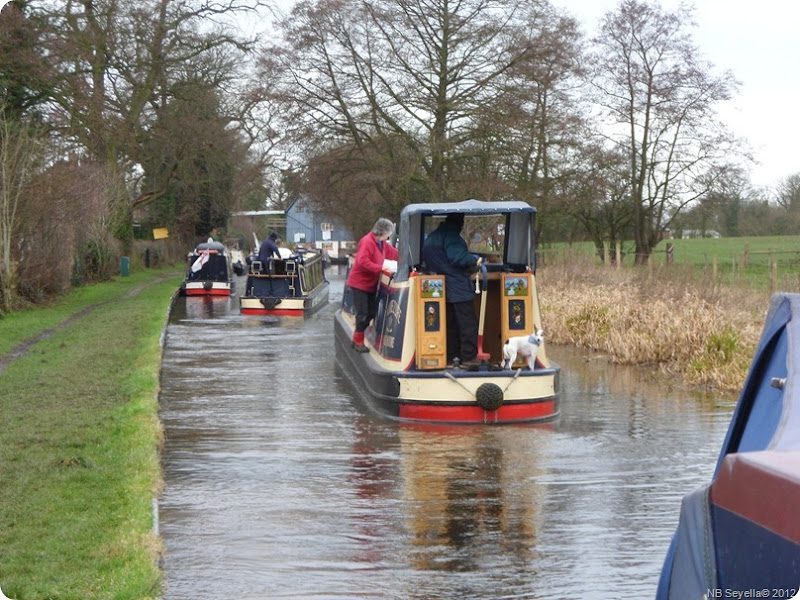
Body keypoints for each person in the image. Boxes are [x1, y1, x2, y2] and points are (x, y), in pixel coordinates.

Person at [421, 213, 483, 366]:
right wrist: (474, 260)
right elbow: (458, 257)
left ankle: (451, 356)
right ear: (460, 223)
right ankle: (469, 357)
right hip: (457, 285)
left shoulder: (434, 236)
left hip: (440, 287)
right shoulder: (452, 237)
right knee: (467, 322)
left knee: (449, 323)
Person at [346, 218, 399, 352]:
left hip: (370, 285)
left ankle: (356, 338)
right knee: (363, 313)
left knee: (371, 313)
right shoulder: (367, 242)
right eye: (389, 233)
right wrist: (380, 268)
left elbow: (393, 253)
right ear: (384, 232)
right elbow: (362, 261)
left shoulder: (381, 244)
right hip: (359, 284)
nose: (389, 236)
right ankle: (358, 342)